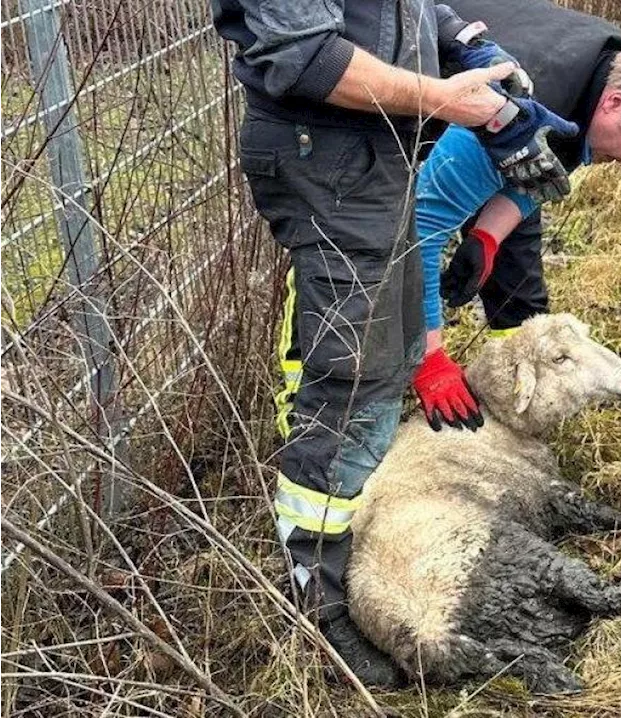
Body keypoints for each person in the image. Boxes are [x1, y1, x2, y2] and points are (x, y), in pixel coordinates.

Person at [211, 0, 580, 687]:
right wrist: (443, 99)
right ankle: (316, 605)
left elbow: (411, 9)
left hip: (378, 154)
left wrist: (468, 48)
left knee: (391, 359)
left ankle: (364, 539)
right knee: (348, 382)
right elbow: (307, 57)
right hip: (324, 160)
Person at [409, 0, 621, 431]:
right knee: (358, 259)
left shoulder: (612, 71)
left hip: (509, 122)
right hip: (407, 103)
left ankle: (512, 416)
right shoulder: (514, 106)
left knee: (518, 289)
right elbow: (418, 233)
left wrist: (489, 235)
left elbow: (549, 168)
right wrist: (430, 357)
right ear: (616, 104)